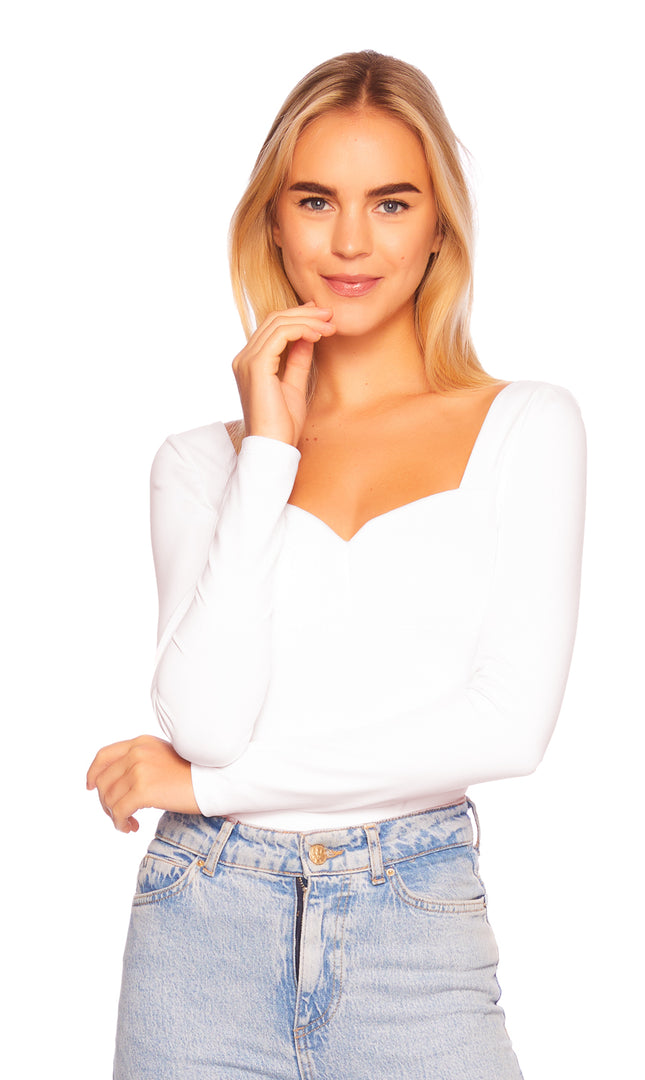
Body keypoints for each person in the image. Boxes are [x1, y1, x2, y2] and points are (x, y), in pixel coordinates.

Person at [87, 49, 586, 1080]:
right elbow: (208, 722)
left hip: (414, 933)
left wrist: (210, 787)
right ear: (273, 221)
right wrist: (269, 451)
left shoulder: (526, 427)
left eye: (391, 203)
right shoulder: (200, 464)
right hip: (200, 934)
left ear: (439, 226)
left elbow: (507, 726)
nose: (350, 241)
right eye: (316, 201)